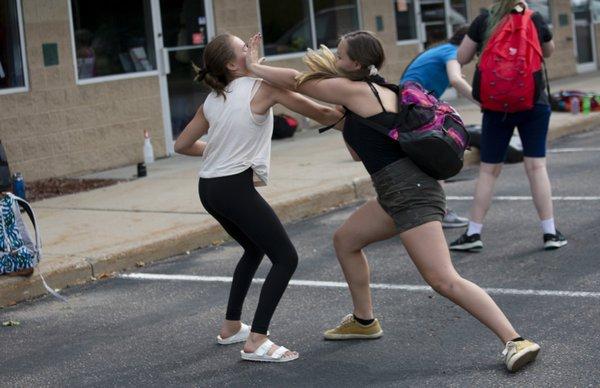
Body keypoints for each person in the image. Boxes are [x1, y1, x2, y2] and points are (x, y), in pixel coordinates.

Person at [246, 30, 540, 372]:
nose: (337, 60)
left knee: (443, 279)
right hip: (396, 190)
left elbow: (299, 81)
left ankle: (515, 340)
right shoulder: (379, 92)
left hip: (411, 192)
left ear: (355, 63)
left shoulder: (355, 90)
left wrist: (254, 67)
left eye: (341, 56)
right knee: (346, 240)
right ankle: (364, 320)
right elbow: (358, 152)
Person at [174, 34, 343, 363]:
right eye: (244, 49)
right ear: (232, 63)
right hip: (233, 188)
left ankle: (231, 326)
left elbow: (181, 145)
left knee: (254, 249)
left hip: (209, 188)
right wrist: (369, 120)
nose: (252, 51)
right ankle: (256, 341)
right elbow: (323, 114)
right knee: (286, 258)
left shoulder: (213, 99)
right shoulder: (263, 89)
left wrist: (219, 150)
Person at [450, 0, 567, 252]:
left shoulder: (483, 21)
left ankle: (473, 233)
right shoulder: (534, 19)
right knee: (536, 167)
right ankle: (550, 232)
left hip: (495, 106)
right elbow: (548, 52)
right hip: (533, 102)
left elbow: (462, 57)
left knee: (488, 171)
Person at [400, 26, 476, 229]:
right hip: (415, 103)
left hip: (411, 102)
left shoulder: (443, 50)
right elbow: (455, 79)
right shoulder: (451, 52)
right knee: (439, 153)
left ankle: (434, 210)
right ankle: (440, 212)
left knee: (431, 157)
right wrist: (482, 102)